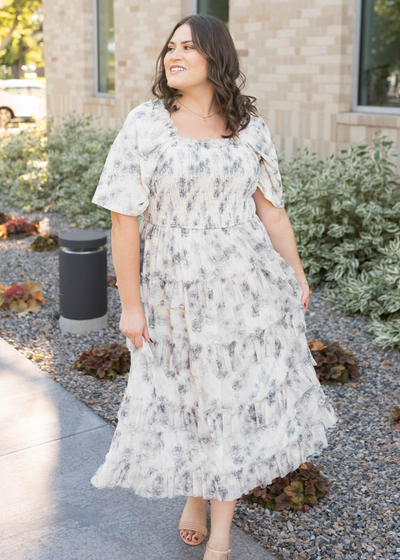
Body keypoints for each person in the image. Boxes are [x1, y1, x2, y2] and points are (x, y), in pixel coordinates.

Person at [90, 14, 338, 560]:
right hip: (172, 289)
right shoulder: (145, 123)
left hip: (245, 285)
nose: (173, 56)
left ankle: (220, 529)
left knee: (230, 395)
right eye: (169, 48)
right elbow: (123, 219)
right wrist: (130, 306)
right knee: (188, 396)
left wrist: (295, 272)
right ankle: (194, 495)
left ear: (215, 58)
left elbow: (271, 213)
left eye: (188, 48)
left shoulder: (249, 125)